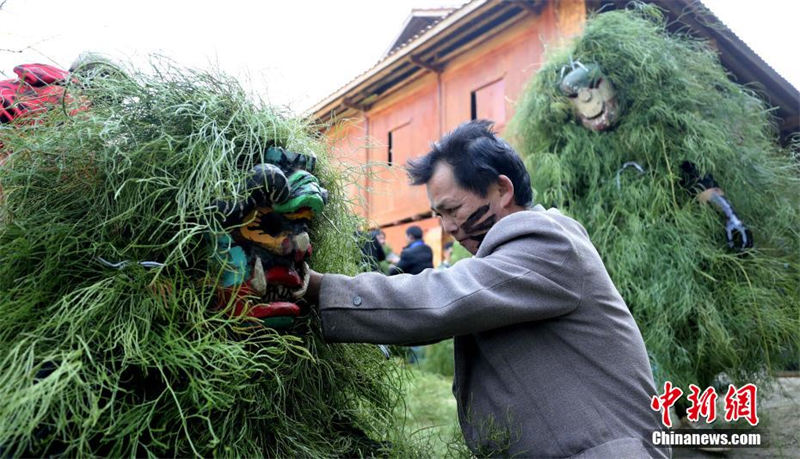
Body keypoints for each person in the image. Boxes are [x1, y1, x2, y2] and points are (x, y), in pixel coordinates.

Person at [300, 120, 667, 457]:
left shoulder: (548, 242)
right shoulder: (516, 253)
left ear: (502, 190)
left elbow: (444, 298)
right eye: (438, 215)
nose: (448, 227)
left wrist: (320, 288)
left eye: (453, 209)